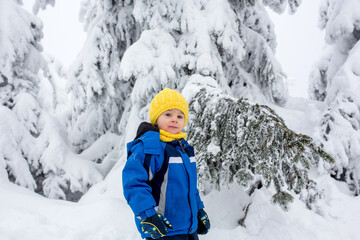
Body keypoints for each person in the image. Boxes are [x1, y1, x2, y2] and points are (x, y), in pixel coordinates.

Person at [122, 88, 210, 240]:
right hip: (162, 229)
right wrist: (147, 215)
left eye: (179, 116)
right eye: (168, 114)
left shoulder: (185, 149)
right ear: (156, 118)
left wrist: (198, 210)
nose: (174, 119)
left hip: (188, 230)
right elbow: (134, 183)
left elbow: (190, 186)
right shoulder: (150, 146)